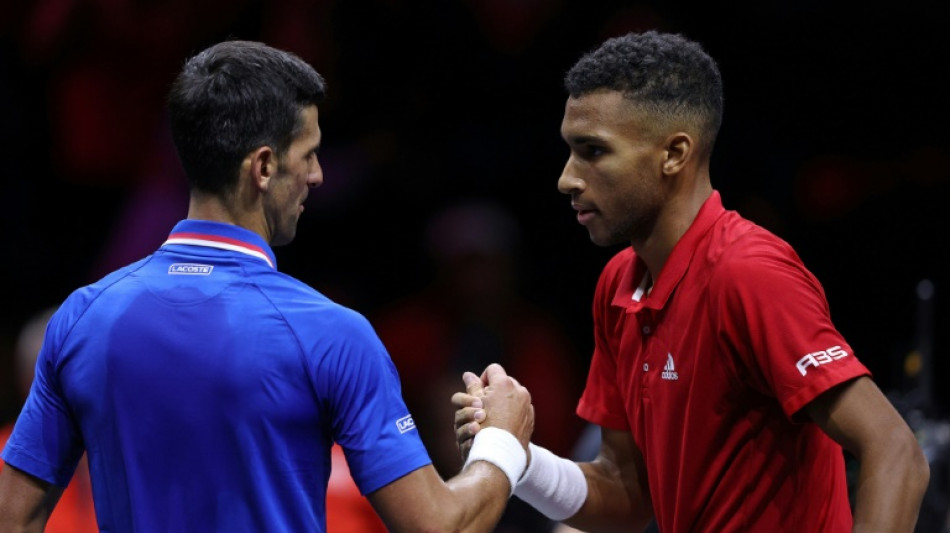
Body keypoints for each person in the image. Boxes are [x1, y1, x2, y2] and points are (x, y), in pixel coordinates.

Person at [0, 40, 535, 533]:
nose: (318, 175)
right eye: (309, 154)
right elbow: (440, 527)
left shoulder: (81, 318)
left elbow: (13, 519)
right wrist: (501, 445)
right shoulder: (332, 334)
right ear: (263, 166)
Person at [453, 30, 930, 532]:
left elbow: (895, 451)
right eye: (571, 150)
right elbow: (626, 495)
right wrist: (516, 456)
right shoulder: (618, 285)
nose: (567, 178)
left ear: (675, 154)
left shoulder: (749, 273)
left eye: (593, 151)